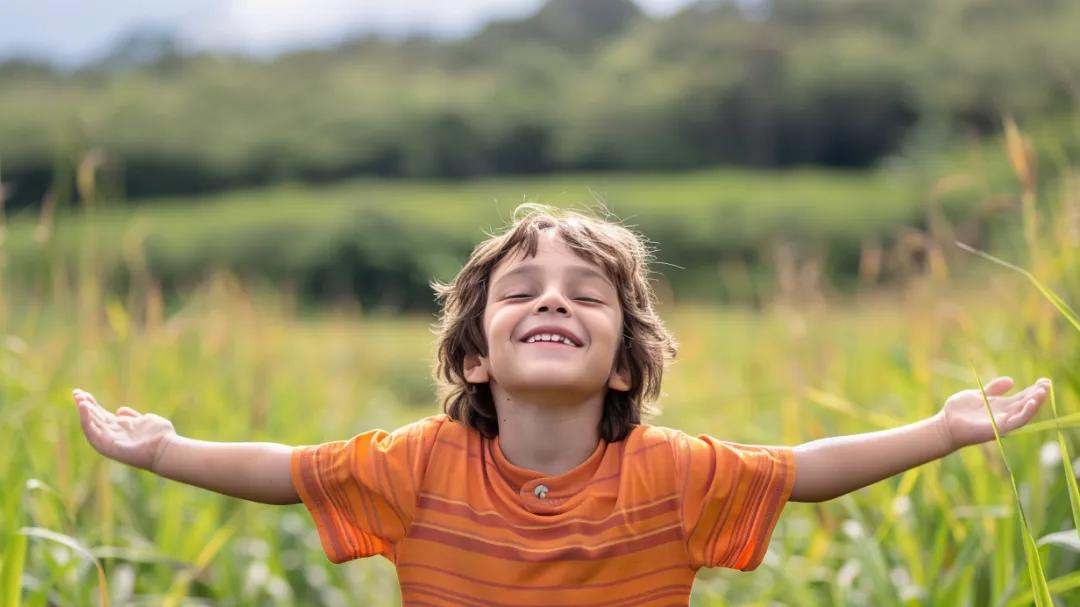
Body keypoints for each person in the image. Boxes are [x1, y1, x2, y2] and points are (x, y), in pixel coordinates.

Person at [72, 204, 1051, 605]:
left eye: (587, 296)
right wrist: (165, 448)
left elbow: (803, 473)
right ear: (475, 354)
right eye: (523, 292)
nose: (552, 299)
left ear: (626, 365)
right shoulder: (416, 465)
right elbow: (285, 471)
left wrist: (943, 428)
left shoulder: (670, 476)